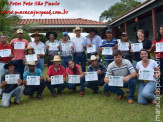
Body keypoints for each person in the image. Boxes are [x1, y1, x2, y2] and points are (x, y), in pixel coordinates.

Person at [151, 25, 163, 96]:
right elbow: (152, 50)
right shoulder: (156, 39)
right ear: (159, 31)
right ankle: (159, 89)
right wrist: (152, 47)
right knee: (158, 74)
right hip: (158, 58)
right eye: (161, 29)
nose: (162, 30)